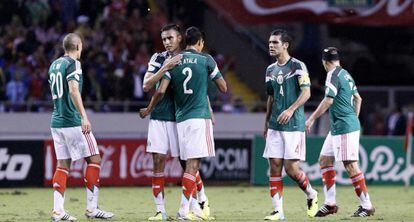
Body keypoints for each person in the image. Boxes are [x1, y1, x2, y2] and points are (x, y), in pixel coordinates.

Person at [140, 26, 227, 220]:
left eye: (170, 38)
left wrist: (209, 107)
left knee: (187, 162)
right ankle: (160, 211)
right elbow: (147, 85)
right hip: (161, 117)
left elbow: (198, 87)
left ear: (180, 38)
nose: (167, 42)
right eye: (163, 39)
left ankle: (199, 202)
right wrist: (165, 67)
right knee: (158, 161)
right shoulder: (159, 58)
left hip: (179, 117)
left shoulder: (188, 59)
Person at [48, 33, 114, 221]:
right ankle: (92, 208)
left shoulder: (54, 65)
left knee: (62, 166)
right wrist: (84, 116)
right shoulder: (73, 64)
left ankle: (58, 211)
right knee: (95, 160)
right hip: (73, 121)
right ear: (78, 46)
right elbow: (73, 89)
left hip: (57, 121)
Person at [305, 47, 375, 217]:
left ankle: (367, 206)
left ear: (324, 61)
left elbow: (328, 100)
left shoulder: (332, 74)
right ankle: (330, 203)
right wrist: (354, 118)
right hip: (341, 125)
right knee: (324, 160)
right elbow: (358, 98)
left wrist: (312, 118)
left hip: (344, 126)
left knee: (350, 165)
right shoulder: (345, 74)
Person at [263, 29, 318, 220]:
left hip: (293, 125)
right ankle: (278, 211)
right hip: (275, 126)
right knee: (274, 166)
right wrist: (266, 122)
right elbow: (270, 97)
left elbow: (307, 93)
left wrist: (291, 109)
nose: (271, 45)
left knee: (291, 169)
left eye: (275, 42)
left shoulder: (298, 66)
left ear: (285, 45)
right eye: (270, 42)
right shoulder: (270, 70)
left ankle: (312, 194)